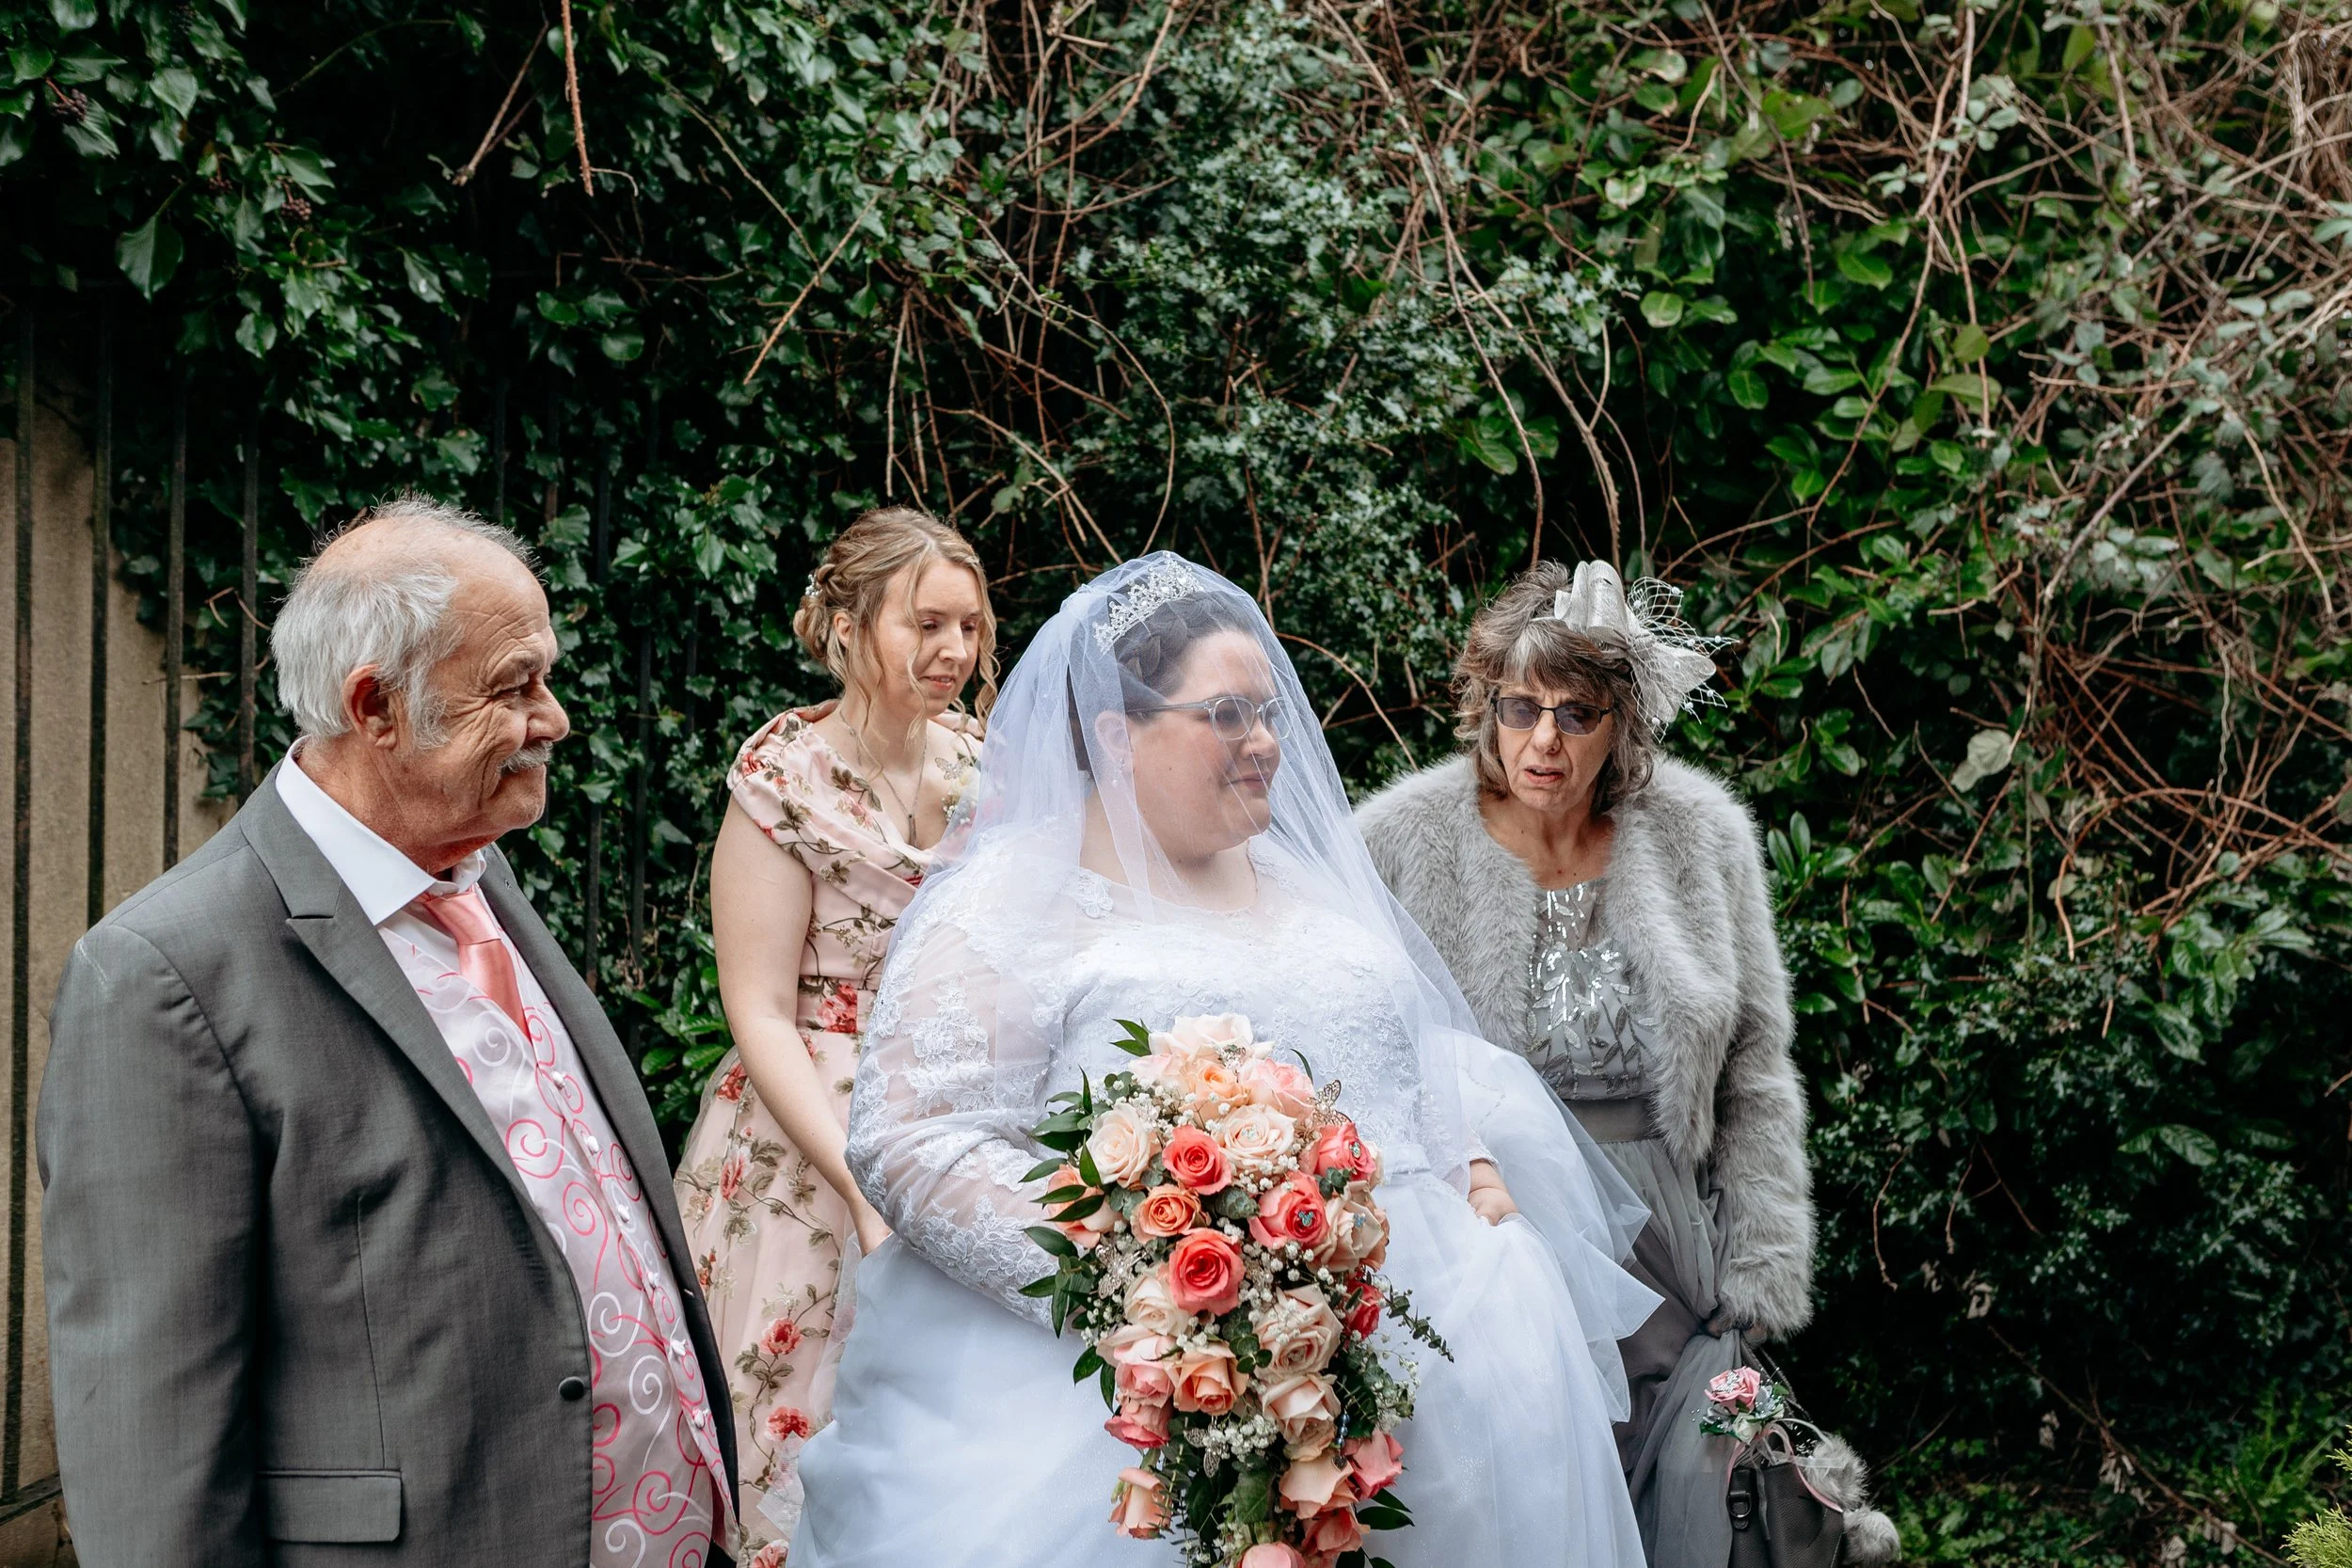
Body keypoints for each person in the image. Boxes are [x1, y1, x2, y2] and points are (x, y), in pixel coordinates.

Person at [793, 553, 1661, 1568]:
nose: (1264, 743)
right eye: (1227, 716)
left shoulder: (1309, 882)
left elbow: (1398, 1042)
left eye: (1269, 713)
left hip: (1445, 1368)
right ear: (1117, 736)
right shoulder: (1006, 910)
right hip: (1136, 1392)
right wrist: (1155, 1276)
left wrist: (1469, 1161)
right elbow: (912, 1138)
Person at [38, 495, 736, 1568]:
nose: (553, 717)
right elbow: (150, 1441)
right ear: (375, 707)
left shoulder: (469, 864)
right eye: (513, 688)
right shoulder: (164, 976)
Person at [1356, 560, 1814, 1568]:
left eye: (1577, 712)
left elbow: (1755, 1070)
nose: (1544, 740)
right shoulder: (1394, 844)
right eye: (1519, 707)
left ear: (1627, 722)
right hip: (1492, 1231)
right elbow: (1361, 1055)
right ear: (1484, 705)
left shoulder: (1703, 836)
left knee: (1702, 1514)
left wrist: (1761, 1258)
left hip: (1671, 1236)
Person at [671, 505, 993, 1560]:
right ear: (849, 625)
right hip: (802, 1139)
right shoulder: (782, 778)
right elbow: (756, 1006)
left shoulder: (983, 764)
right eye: (926, 624)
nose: (954, 651)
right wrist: (858, 1184)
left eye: (970, 627)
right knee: (791, 1422)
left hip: (949, 1112)